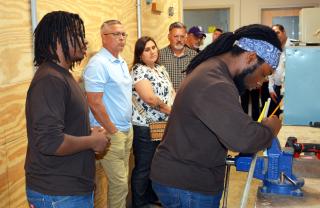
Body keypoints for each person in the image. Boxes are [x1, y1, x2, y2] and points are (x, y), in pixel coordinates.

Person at [150, 24, 283, 208]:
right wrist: (270, 128)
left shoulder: (214, 71)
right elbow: (242, 138)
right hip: (187, 185)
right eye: (263, 74)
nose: (260, 83)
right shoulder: (214, 82)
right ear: (251, 57)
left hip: (188, 178)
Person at [25, 11, 110, 208]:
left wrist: (88, 134)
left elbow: (61, 129)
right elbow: (50, 141)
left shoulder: (62, 76)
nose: (85, 41)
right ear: (57, 40)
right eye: (78, 34)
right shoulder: (50, 80)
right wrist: (92, 141)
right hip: (58, 193)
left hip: (67, 191)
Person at [83, 20, 133, 208]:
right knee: (119, 186)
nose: (122, 38)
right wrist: (114, 131)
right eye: (116, 34)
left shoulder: (120, 60)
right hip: (111, 133)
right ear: (104, 37)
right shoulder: (98, 64)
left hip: (126, 130)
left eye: (123, 34)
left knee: (120, 184)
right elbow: (94, 102)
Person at [131, 36, 175, 208]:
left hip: (163, 125)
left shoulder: (160, 68)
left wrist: (178, 107)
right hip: (145, 127)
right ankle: (140, 203)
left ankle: (151, 197)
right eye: (147, 49)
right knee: (143, 167)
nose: (152, 51)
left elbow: (171, 92)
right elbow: (149, 98)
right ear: (140, 55)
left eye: (154, 47)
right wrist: (172, 111)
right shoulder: (138, 70)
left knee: (156, 165)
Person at [159, 22, 197, 91]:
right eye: (176, 36)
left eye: (182, 36)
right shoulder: (159, 56)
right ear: (169, 37)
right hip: (167, 101)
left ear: (186, 37)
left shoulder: (194, 56)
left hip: (189, 99)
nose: (179, 39)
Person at [268, 24, 293, 116]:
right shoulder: (274, 48)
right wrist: (270, 87)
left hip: (290, 89)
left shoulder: (293, 47)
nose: (276, 35)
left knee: (287, 116)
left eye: (277, 32)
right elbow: (271, 67)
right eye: (273, 33)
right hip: (276, 88)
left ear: (284, 32)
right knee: (275, 116)